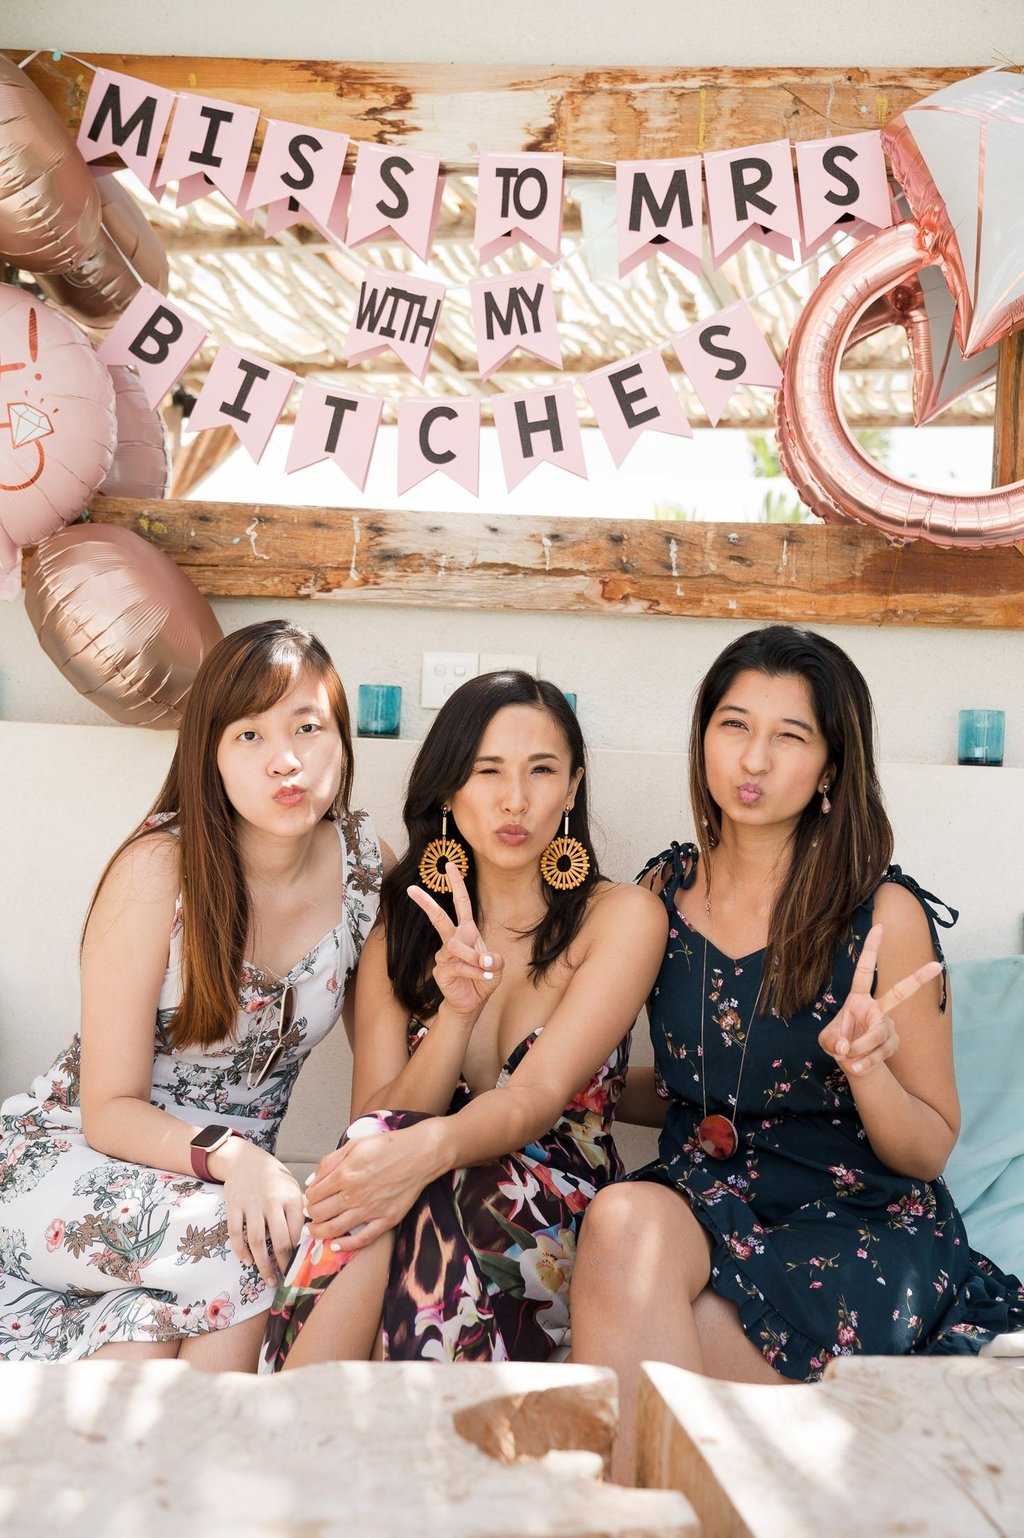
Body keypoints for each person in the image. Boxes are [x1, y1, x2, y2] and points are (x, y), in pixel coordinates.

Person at [570, 623, 1024, 1479]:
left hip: (855, 1221)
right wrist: (566, 1090)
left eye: (790, 736)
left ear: (830, 765)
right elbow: (681, 1085)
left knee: (700, 1327)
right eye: (735, 725)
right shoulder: (656, 896)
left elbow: (929, 1143)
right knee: (622, 1220)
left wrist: (867, 1070)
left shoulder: (882, 914)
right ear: (703, 736)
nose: (754, 758)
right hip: (708, 1196)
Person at [0, 619, 386, 1367]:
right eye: (248, 735)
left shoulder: (364, 867)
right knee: (248, 1252)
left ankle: (195, 1476)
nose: (285, 760)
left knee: (174, 1319)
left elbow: (374, 1096)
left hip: (220, 1191)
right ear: (208, 753)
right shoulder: (158, 871)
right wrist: (235, 1158)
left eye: (307, 727)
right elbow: (108, 1108)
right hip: (72, 1155)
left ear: (342, 740)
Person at [259, 670, 667, 1370]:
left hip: (555, 1200)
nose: (515, 800)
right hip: (411, 1176)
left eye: (542, 771)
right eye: (487, 772)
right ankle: (325, 1430)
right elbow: (378, 1114)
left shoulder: (621, 918)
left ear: (572, 789)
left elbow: (534, 1100)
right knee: (388, 1161)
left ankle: (294, 1427)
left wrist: (426, 1153)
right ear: (449, 788)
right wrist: (454, 1015)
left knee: (414, 1191)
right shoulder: (405, 918)